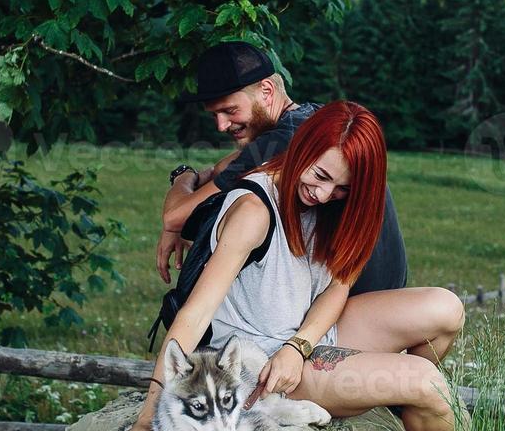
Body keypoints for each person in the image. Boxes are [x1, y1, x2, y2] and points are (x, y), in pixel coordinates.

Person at [92, 101, 464, 431]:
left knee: (447, 309)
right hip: (264, 361)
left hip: (305, 337)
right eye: (320, 175)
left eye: (341, 188)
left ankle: (394, 406)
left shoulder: (340, 207)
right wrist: (148, 419)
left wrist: (299, 346)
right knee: (425, 382)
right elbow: (195, 314)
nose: (323, 194)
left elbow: (337, 288)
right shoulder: (254, 211)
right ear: (302, 148)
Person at [156, 41, 407, 298]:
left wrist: (183, 175)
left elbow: (175, 216)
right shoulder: (313, 118)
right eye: (214, 115)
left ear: (266, 90)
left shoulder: (279, 142)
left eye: (230, 110)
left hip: (352, 302)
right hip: (384, 292)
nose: (221, 125)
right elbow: (222, 168)